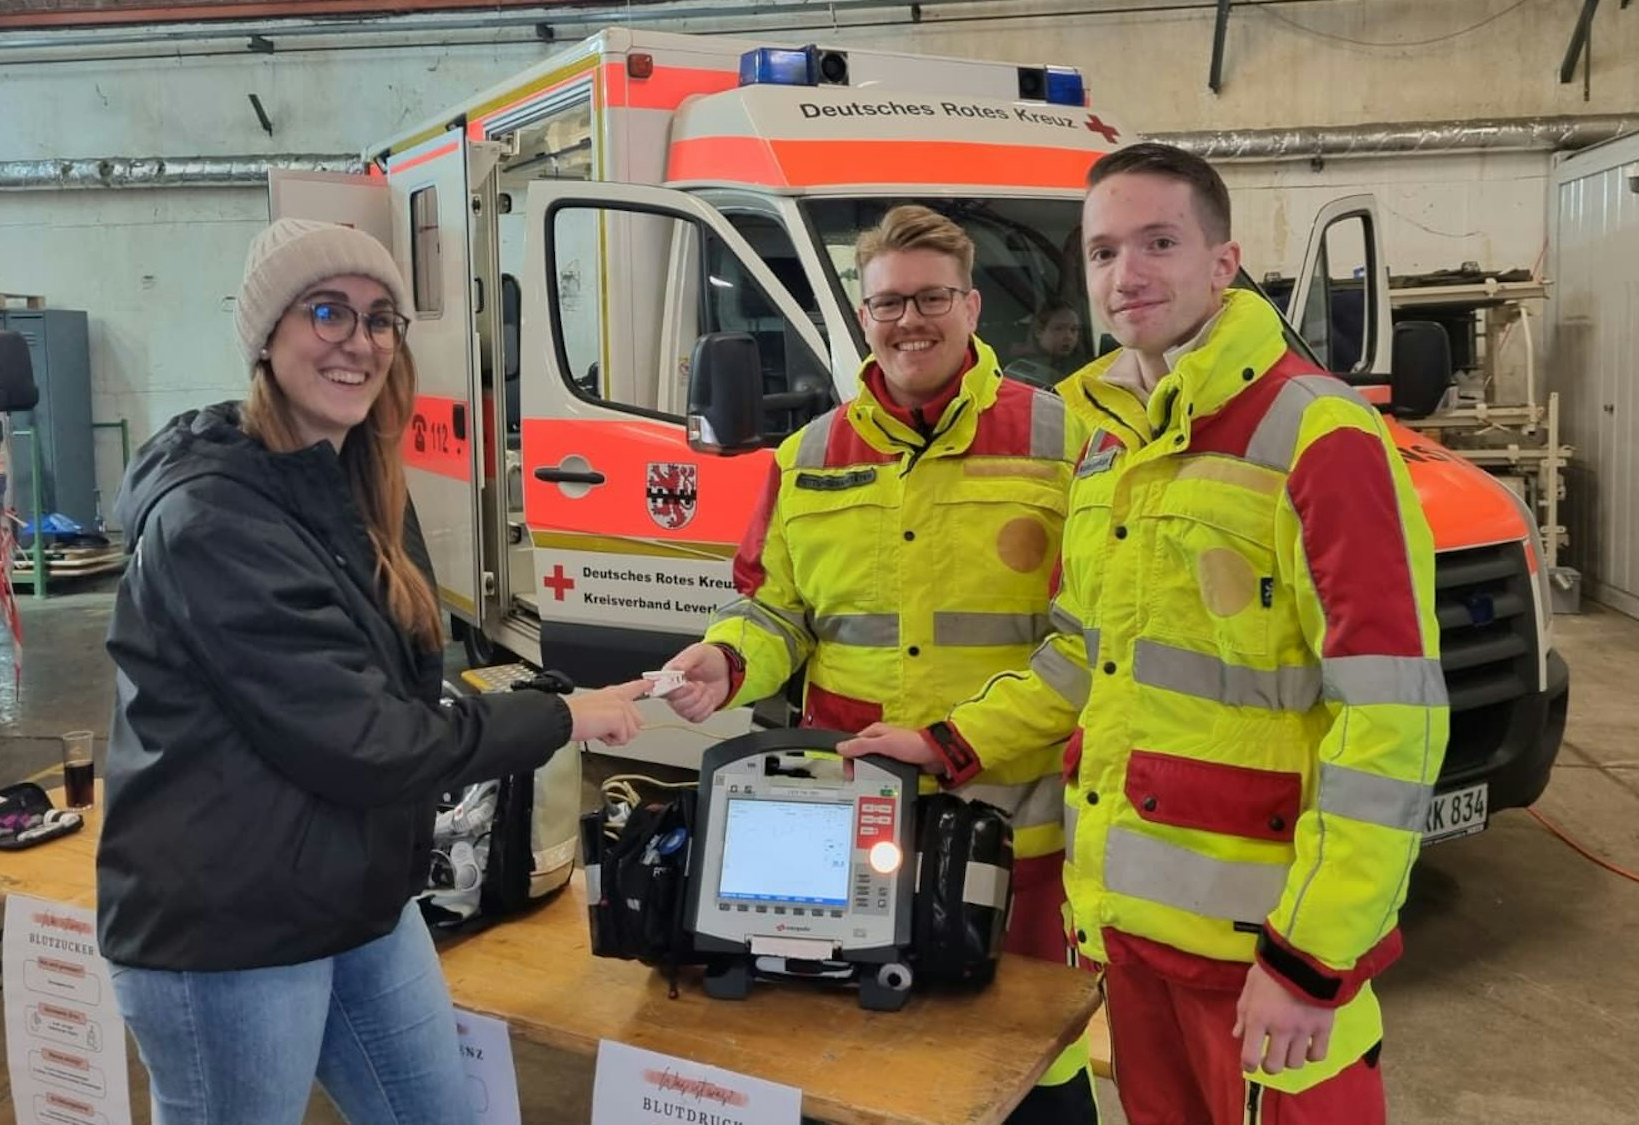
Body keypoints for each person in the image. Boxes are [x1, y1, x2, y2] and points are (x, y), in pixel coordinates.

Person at [839, 144, 1447, 1124]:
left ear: (1221, 260)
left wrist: (1311, 957)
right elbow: (1083, 657)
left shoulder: (1318, 439)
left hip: (1260, 951)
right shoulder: (1108, 443)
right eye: (1103, 250)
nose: (1127, 275)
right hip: (1127, 932)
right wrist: (948, 742)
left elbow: (1391, 722)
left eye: (1158, 242)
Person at [98, 218, 650, 1124]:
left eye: (379, 318)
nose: (359, 342)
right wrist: (564, 716)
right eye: (327, 312)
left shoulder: (350, 481)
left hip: (351, 892)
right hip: (230, 925)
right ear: (266, 337)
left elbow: (394, 691)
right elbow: (366, 739)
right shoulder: (213, 519)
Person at [660, 204, 1097, 1123]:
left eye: (932, 297)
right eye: (889, 302)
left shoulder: (1066, 445)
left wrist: (949, 740)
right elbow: (774, 607)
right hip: (847, 825)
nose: (911, 320)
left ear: (974, 308)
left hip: (1012, 827)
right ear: (864, 317)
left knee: (1022, 1068)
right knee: (861, 1056)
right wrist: (726, 659)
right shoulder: (808, 455)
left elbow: (1087, 648)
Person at [1003, 299, 1085, 387]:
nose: (1069, 336)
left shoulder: (1081, 368)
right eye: (1059, 328)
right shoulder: (1011, 363)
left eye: (1074, 329)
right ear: (1039, 331)